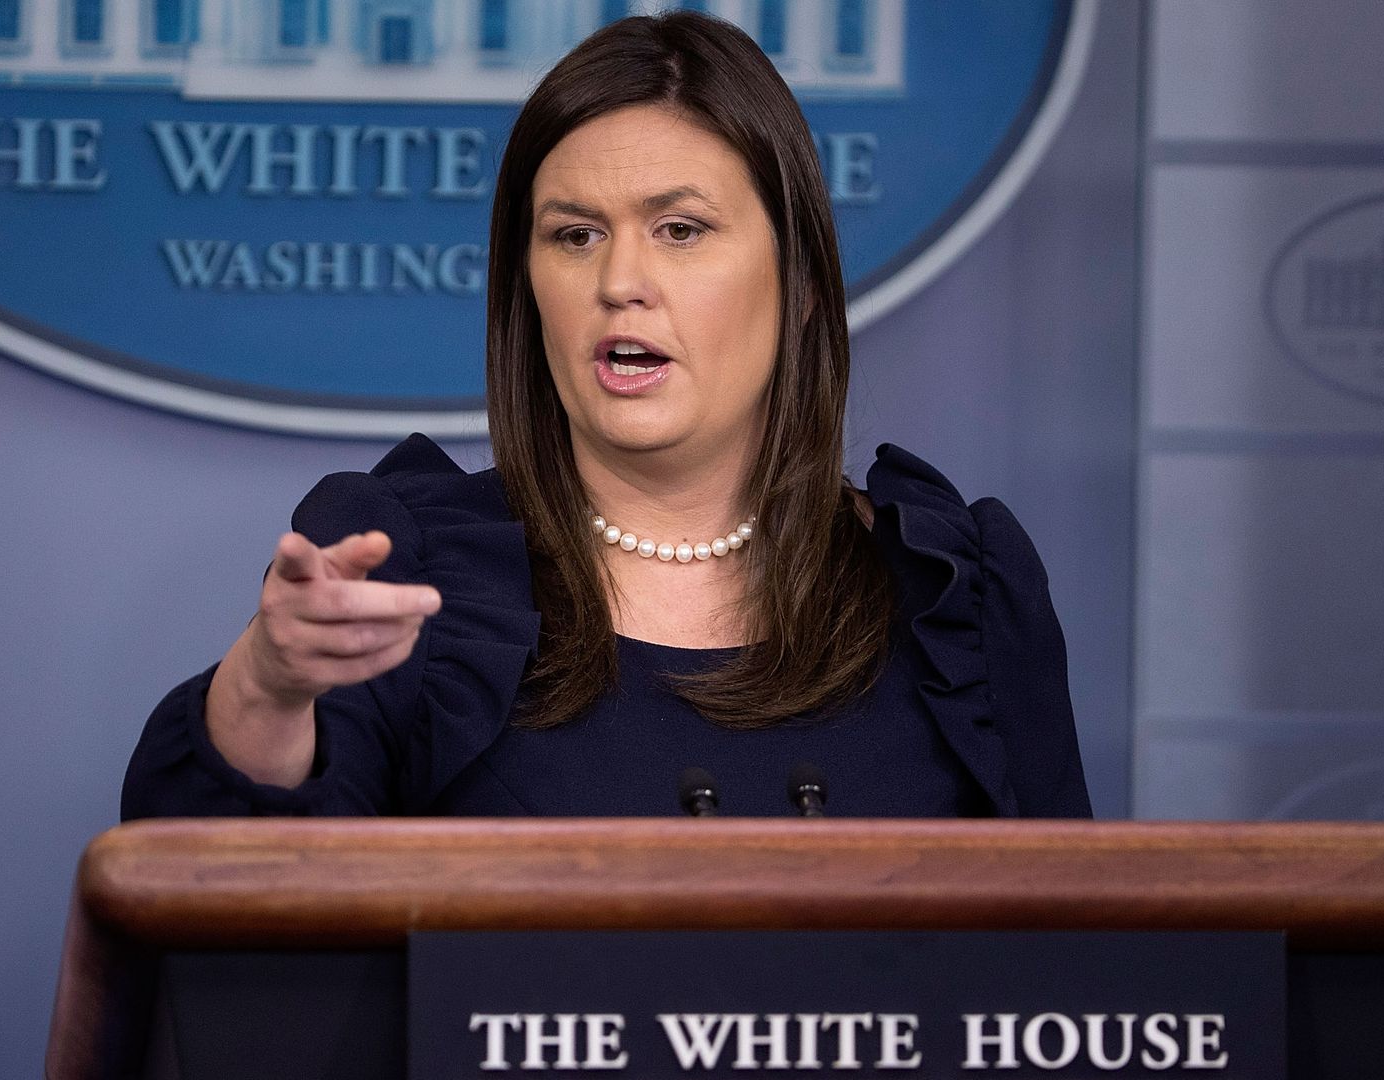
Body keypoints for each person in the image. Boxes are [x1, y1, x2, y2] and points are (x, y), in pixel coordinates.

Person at [122, 11, 1091, 820]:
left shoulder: (953, 596)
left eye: (681, 230)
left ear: (798, 282)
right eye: (575, 235)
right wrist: (267, 685)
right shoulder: (407, 578)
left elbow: (1078, 982)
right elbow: (222, 916)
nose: (621, 282)